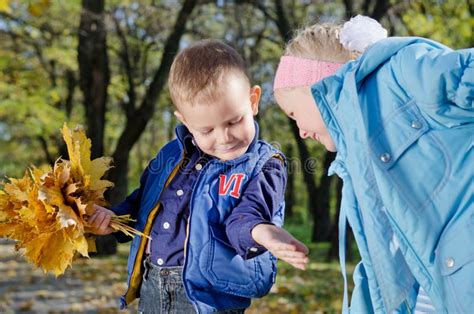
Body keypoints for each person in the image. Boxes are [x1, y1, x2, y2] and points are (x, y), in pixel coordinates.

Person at [87, 40, 309, 313]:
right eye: (206, 130)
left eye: (233, 121)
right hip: (152, 287)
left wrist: (263, 233)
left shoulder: (264, 165)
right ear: (185, 122)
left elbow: (248, 216)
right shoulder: (170, 155)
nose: (224, 138)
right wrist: (113, 219)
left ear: (253, 101)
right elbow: (144, 204)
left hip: (208, 299)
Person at [273, 15, 473, 314]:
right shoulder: (356, 163)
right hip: (441, 291)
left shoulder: (401, 74)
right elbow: (379, 265)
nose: (300, 131)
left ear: (315, 86)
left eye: (292, 113)